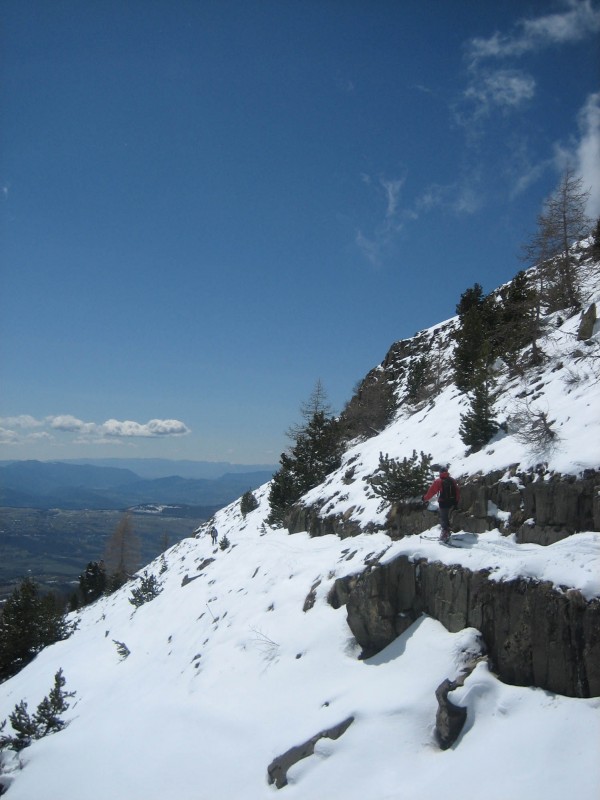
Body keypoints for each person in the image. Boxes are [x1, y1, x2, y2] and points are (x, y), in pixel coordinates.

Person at [423, 468, 460, 543]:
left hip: (443, 503)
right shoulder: (452, 480)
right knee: (449, 517)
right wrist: (456, 502)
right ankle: (448, 532)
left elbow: (431, 491)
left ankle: (445, 535)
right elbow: (457, 491)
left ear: (440, 473)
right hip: (453, 502)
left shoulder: (438, 481)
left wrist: (425, 498)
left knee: (444, 518)